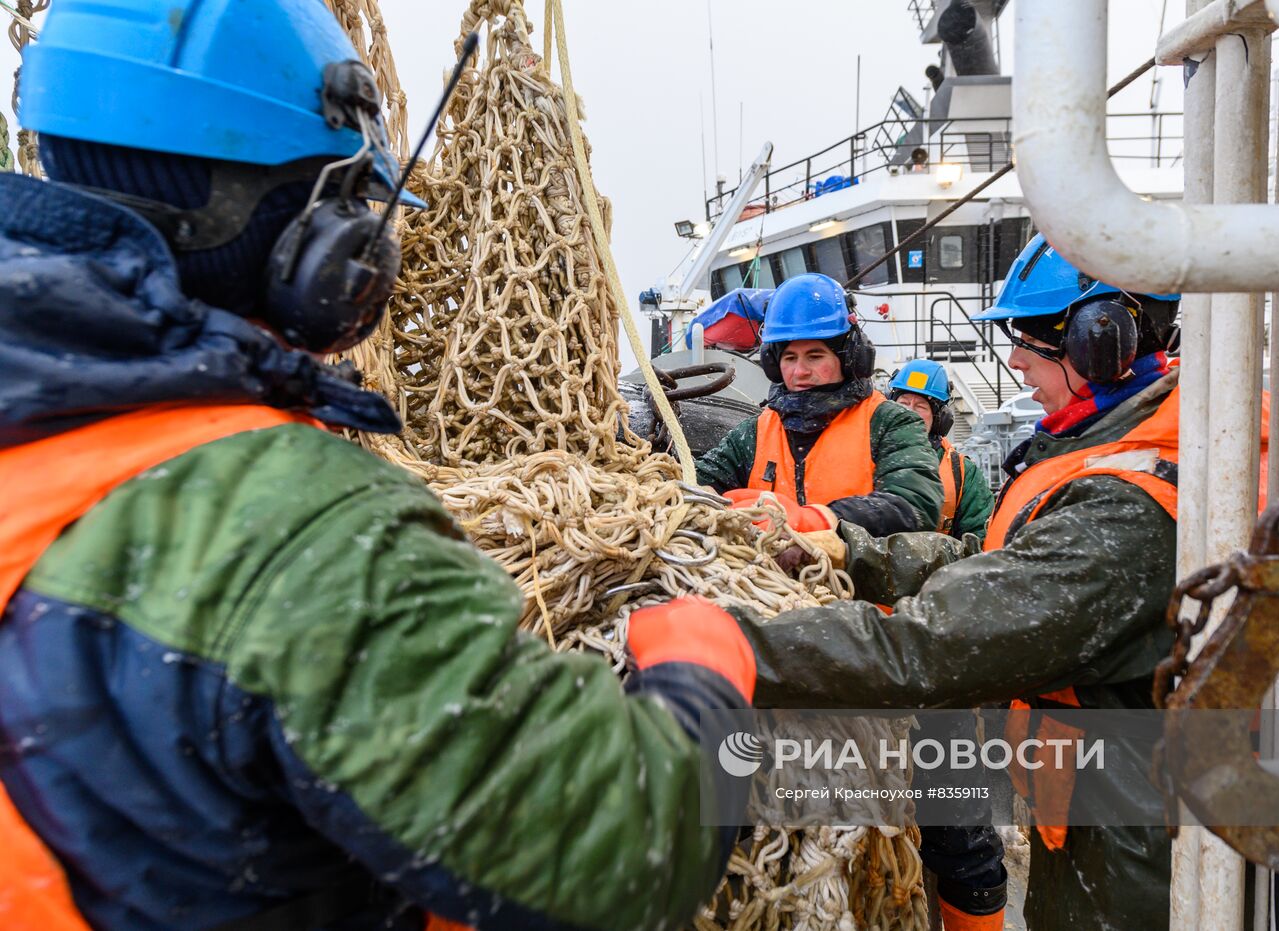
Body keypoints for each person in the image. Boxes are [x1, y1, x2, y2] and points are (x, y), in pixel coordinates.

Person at [0, 3, 756, 929]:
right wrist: (705, 669)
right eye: (354, 210)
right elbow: (628, 856)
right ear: (297, 243)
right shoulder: (293, 526)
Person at [662, 234, 1186, 930]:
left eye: (815, 353)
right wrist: (840, 546)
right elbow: (984, 557)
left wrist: (733, 642)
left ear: (1102, 340)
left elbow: (928, 577)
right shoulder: (761, 425)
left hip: (918, 667)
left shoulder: (1118, 499)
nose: (1014, 359)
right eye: (788, 356)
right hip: (861, 655)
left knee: (957, 825)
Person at [695, 273, 943, 554]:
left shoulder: (890, 423)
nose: (799, 371)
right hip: (768, 591)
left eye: (815, 356)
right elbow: (696, 484)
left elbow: (915, 504)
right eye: (790, 358)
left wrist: (823, 522)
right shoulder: (753, 434)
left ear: (850, 357)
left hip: (861, 594)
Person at [888, 359, 994, 541]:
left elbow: (980, 538)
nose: (908, 412)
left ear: (940, 418)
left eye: (920, 406)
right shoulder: (865, 453)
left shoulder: (962, 472)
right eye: (903, 403)